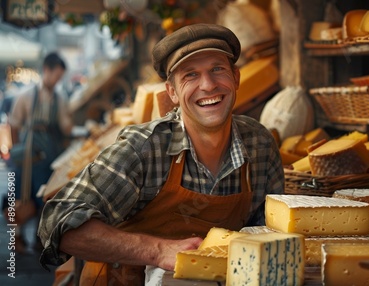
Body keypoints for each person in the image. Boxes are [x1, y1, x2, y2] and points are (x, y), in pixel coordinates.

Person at [38, 23, 284, 285]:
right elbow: (56, 221)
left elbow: (274, 234)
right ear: (172, 92)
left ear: (235, 78)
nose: (208, 85)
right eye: (190, 75)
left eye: (217, 69)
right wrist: (157, 251)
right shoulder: (144, 148)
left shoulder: (259, 143)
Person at [8, 52, 73, 253]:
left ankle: (39, 238)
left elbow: (65, 127)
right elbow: (14, 124)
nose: (58, 80)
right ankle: (16, 238)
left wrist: (72, 126)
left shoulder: (60, 99)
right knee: (19, 195)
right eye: (56, 75)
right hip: (27, 154)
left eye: (61, 77)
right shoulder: (26, 95)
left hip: (48, 155)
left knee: (44, 198)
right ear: (46, 70)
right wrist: (17, 151)